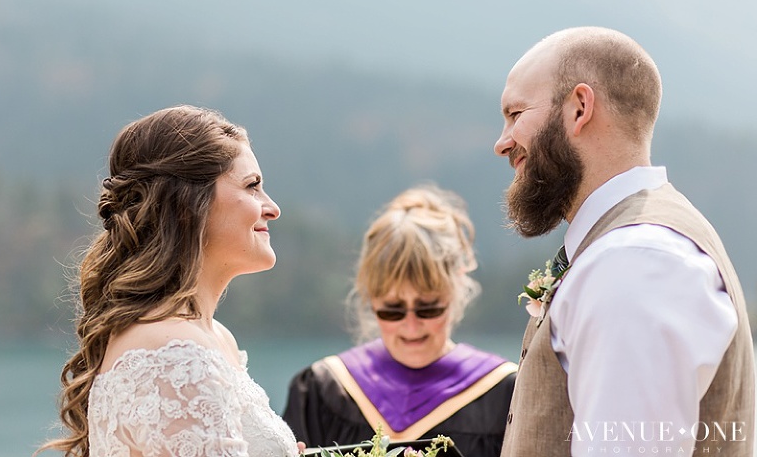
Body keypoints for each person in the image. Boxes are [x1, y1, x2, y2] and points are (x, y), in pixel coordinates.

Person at [493, 26, 755, 456]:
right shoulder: (632, 251)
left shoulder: (633, 264)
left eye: (516, 114)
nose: (502, 142)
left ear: (579, 108)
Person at [38, 105, 301, 457]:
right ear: (189, 204)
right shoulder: (176, 352)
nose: (272, 207)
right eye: (252, 186)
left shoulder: (213, 338)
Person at [282, 185, 517, 457]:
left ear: (456, 295)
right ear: (371, 300)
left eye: (428, 308)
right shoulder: (324, 390)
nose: (411, 325)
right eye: (392, 310)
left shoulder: (504, 393)